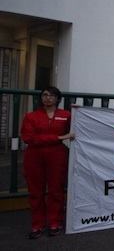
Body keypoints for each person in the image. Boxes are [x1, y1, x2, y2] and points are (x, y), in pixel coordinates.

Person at [21, 86, 74, 239]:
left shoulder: (66, 115)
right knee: (35, 191)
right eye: (45, 95)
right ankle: (37, 224)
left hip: (57, 155)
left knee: (56, 190)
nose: (48, 98)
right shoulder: (31, 116)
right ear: (41, 98)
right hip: (34, 156)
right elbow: (28, 138)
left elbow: (77, 130)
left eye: (51, 95)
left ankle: (54, 222)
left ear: (58, 99)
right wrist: (57, 138)